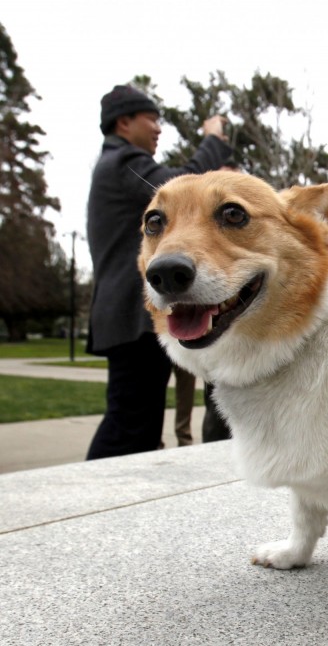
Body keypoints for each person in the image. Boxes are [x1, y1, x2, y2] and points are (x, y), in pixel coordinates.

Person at [86, 84, 233, 460]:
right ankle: (92, 504)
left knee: (138, 422)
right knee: (129, 426)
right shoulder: (122, 162)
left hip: (128, 315)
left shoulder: (113, 165)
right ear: (124, 122)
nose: (157, 128)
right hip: (132, 316)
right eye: (151, 119)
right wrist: (213, 138)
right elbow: (184, 184)